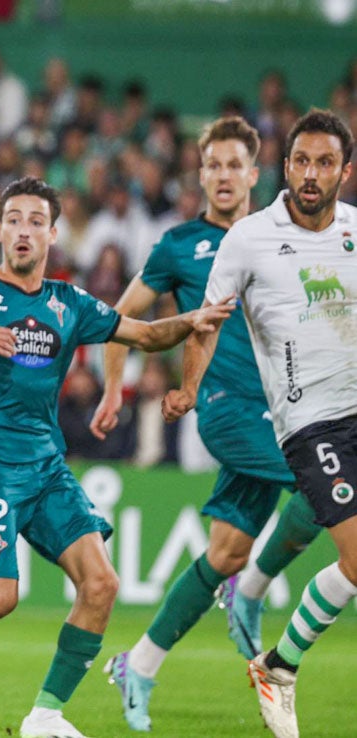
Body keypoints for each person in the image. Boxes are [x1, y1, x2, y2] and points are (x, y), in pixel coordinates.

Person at [0, 176, 233, 738]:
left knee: (101, 584)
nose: (24, 230)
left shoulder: (68, 302)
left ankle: (45, 715)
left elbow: (144, 335)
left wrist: (189, 322)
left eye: (36, 220)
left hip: (48, 467)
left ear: (53, 233)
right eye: (14, 219)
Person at [90, 115, 322, 732]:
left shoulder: (285, 235)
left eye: (233, 165)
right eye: (212, 165)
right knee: (325, 489)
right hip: (221, 410)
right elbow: (120, 319)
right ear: (200, 175)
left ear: (253, 173)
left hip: (283, 408)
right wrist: (115, 387)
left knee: (224, 550)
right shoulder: (178, 246)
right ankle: (250, 595)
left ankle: (138, 663)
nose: (223, 175)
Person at [161, 109, 357, 738]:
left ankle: (276, 662)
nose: (310, 173)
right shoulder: (246, 237)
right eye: (301, 160)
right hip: (309, 423)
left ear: (344, 172)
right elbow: (207, 321)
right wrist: (189, 386)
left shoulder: (356, 232)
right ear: (285, 166)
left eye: (325, 163)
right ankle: (274, 651)